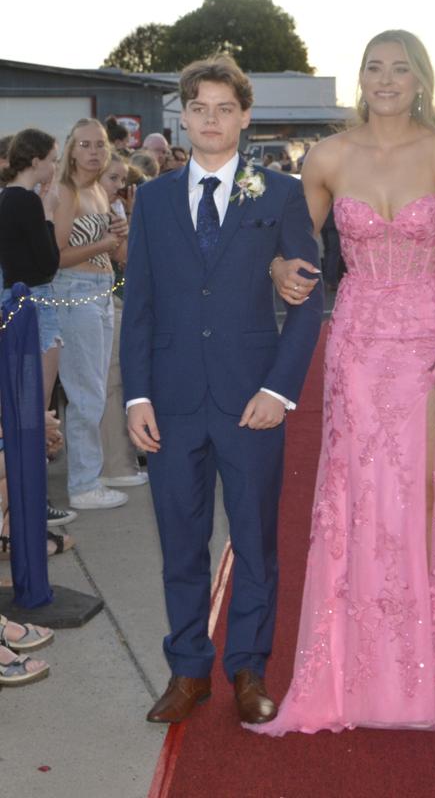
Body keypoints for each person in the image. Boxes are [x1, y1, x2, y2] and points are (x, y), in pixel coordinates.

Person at [256, 30, 435, 735]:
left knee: (421, 499)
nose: (386, 79)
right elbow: (293, 245)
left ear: (421, 80)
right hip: (355, 344)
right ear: (359, 78)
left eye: (400, 69)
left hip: (425, 344)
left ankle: (419, 675)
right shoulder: (327, 156)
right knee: (354, 498)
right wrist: (276, 270)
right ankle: (347, 676)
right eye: (374, 67)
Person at [120, 54, 322, 726]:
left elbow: (307, 300)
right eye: (198, 107)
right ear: (182, 115)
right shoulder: (149, 199)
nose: (211, 119)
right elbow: (140, 303)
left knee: (256, 542)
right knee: (180, 542)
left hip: (251, 400)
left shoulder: (281, 193)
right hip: (171, 402)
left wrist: (282, 390)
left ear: (245, 115)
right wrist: (136, 395)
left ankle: (248, 669)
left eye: (224, 107)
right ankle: (187, 671)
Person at [0, 129, 76, 529]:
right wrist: (47, 213)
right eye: (52, 158)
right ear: (34, 162)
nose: (55, 166)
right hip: (35, 305)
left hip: (15, 304)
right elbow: (47, 265)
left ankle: (21, 509)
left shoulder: (4, 199)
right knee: (34, 413)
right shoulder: (27, 202)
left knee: (23, 411)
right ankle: (27, 511)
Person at [52, 119, 129, 510]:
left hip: (101, 292)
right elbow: (57, 256)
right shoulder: (65, 192)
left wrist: (121, 234)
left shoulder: (101, 191)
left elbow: (118, 258)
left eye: (100, 144)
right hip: (73, 292)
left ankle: (90, 477)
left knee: (94, 390)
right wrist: (104, 240)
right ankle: (83, 485)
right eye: (85, 144)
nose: (94, 151)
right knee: (86, 393)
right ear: (71, 149)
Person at [98, 153, 147, 488]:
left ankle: (121, 461)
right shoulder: (97, 208)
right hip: (103, 300)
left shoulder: (112, 208)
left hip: (120, 299)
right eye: (112, 178)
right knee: (111, 383)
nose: (119, 186)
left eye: (122, 180)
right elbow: (126, 256)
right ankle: (115, 465)